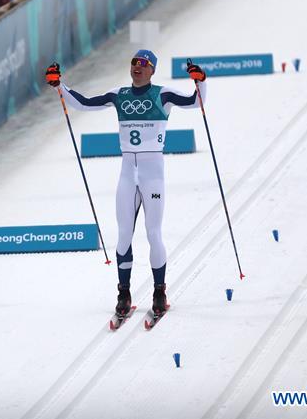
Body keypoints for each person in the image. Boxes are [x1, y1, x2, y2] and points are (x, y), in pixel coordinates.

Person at [45, 50, 207, 318]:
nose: (137, 68)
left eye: (144, 65)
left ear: (153, 70)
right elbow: (84, 103)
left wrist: (201, 80)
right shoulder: (118, 94)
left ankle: (159, 291)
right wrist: (59, 84)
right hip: (127, 173)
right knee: (123, 234)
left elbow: (195, 103)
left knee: (153, 232)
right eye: (134, 63)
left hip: (152, 172)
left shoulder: (163, 94)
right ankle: (123, 293)